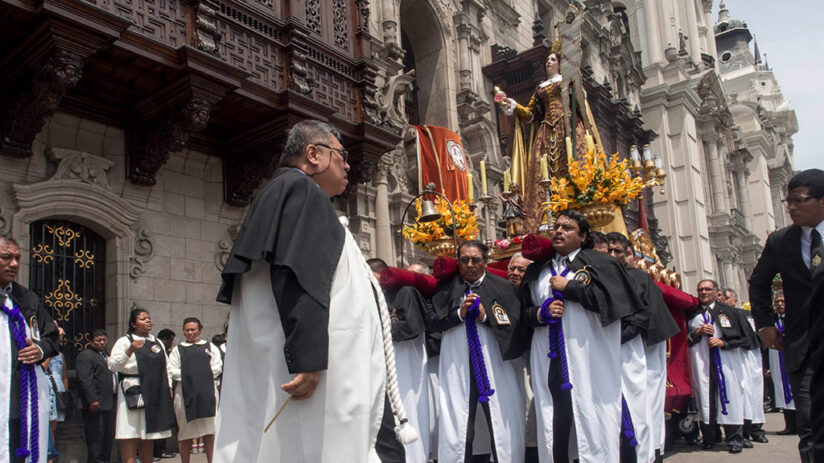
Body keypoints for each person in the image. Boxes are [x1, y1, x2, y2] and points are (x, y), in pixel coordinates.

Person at [213, 120, 415, 463]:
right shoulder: (301, 191)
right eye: (342, 155)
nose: (348, 164)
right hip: (309, 373)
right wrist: (307, 359)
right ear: (314, 154)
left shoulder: (286, 192)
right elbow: (299, 275)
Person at [520, 212, 641, 462]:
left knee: (593, 416)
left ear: (583, 235)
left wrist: (571, 288)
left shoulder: (600, 263)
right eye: (556, 226)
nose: (558, 231)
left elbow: (616, 303)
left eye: (567, 227)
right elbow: (522, 313)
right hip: (549, 359)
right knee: (555, 420)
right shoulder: (538, 270)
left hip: (588, 359)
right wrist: (540, 314)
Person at [748, 168, 824, 463]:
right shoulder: (781, 241)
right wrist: (766, 324)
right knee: (810, 429)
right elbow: (759, 282)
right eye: (788, 202)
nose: (791, 208)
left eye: (799, 201)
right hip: (802, 348)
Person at [431, 240, 524, 462]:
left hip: (494, 365)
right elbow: (432, 322)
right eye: (464, 260)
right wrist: (458, 315)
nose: (470, 265)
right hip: (458, 365)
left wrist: (485, 316)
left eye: (476, 260)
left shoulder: (503, 288)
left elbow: (516, 326)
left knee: (500, 422)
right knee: (461, 425)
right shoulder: (446, 288)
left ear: (486, 261)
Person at [499, 46, 600, 233]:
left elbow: (580, 103)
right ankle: (546, 216)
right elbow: (530, 115)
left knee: (572, 167)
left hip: (568, 128)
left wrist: (577, 88)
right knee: (542, 174)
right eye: (547, 60)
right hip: (546, 131)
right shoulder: (541, 88)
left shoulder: (568, 80)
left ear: (560, 64)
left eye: (553, 59)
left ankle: (576, 212)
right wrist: (513, 106)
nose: (548, 62)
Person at [606, 232, 679, 463]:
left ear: (630, 255)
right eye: (610, 250)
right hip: (626, 343)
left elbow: (645, 315)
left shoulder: (638, 277)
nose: (614, 255)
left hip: (648, 342)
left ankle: (653, 450)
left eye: (620, 251)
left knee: (648, 398)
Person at [0, 235, 59, 463]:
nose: (14, 264)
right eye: (6, 258)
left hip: (25, 399)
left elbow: (51, 337)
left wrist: (40, 350)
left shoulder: (27, 298)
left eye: (17, 258)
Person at [688, 280, 751, 454]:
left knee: (730, 399)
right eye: (700, 289)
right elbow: (683, 339)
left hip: (726, 363)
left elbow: (746, 339)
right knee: (705, 399)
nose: (704, 292)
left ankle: (735, 439)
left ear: (716, 292)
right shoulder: (692, 314)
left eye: (708, 289)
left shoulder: (730, 312)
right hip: (701, 363)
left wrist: (723, 342)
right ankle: (709, 437)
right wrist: (697, 333)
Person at [109, 307, 175, 463]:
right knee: (130, 435)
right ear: (133, 323)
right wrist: (130, 350)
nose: (148, 321)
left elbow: (167, 367)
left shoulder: (157, 342)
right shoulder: (124, 341)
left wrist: (169, 386)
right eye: (143, 318)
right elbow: (112, 365)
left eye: (148, 318)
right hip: (133, 391)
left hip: (154, 392)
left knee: (148, 434)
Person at [384, 264, 433, 463]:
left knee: (411, 407)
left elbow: (410, 327)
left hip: (408, 363)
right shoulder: (390, 294)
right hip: (391, 361)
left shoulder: (409, 292)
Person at [168, 318, 222, 463]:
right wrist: (191, 376)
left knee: (210, 431)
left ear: (200, 329)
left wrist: (199, 374)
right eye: (187, 330)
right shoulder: (177, 350)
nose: (190, 333)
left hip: (207, 392)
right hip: (184, 393)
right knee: (185, 432)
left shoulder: (210, 347)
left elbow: (217, 367)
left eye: (193, 329)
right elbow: (173, 370)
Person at [727, 290, 768, 446]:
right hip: (735, 356)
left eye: (727, 298)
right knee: (741, 394)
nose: (724, 300)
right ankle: (743, 432)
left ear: (735, 300)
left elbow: (757, 335)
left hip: (751, 356)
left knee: (755, 393)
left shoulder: (746, 314)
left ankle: (756, 429)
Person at [76, 329, 117, 463]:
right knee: (96, 439)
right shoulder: (86, 355)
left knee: (107, 437)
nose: (101, 342)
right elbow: (85, 380)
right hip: (95, 404)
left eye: (104, 340)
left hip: (109, 402)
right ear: (91, 341)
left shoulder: (106, 355)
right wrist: (92, 400)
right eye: (98, 340)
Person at [768, 292, 796, 434]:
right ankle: (789, 425)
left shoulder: (795, 317)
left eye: (782, 301)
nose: (779, 304)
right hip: (777, 359)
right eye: (777, 301)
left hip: (794, 358)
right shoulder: (771, 320)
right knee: (781, 390)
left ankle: (803, 425)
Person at [42, 325, 68, 458]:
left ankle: (50, 457)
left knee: (53, 429)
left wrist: (65, 393)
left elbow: (64, 376)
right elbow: (42, 368)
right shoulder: (43, 353)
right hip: (45, 393)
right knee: (43, 429)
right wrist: (50, 352)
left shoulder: (61, 356)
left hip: (57, 393)